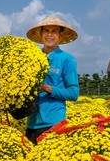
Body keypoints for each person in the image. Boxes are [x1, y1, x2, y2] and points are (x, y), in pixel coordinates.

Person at [25, 15, 80, 143]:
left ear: (60, 37)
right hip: (31, 124)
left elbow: (73, 93)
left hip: (53, 124)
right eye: (46, 31)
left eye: (54, 31)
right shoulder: (31, 59)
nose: (50, 35)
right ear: (41, 35)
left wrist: (46, 88)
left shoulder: (67, 59)